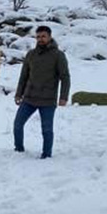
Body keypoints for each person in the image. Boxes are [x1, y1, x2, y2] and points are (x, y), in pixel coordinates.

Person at [13, 26, 71, 158]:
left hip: (48, 100)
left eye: (43, 36)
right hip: (29, 98)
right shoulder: (31, 54)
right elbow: (24, 76)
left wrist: (64, 97)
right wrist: (18, 94)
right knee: (17, 125)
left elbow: (65, 77)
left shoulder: (58, 55)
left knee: (47, 130)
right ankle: (19, 150)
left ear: (49, 37)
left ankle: (46, 155)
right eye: (38, 37)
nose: (40, 39)